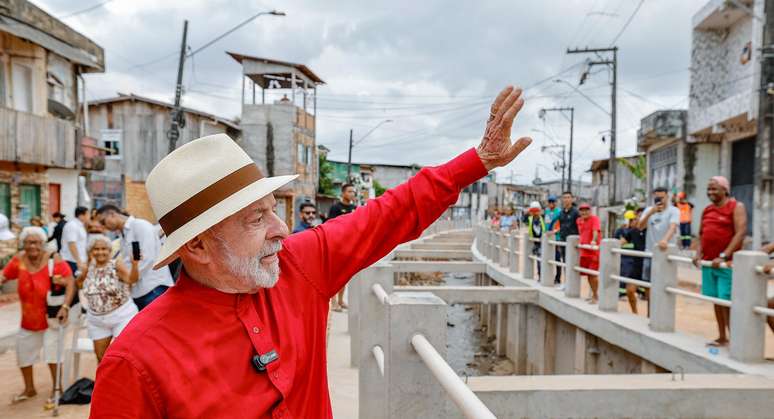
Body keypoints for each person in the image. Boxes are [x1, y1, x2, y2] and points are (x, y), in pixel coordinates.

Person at [89, 86, 531, 418]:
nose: (281, 229)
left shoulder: (297, 266)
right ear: (198, 245)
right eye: (257, 219)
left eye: (274, 210)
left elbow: (388, 214)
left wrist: (479, 161)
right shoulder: (136, 362)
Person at [1, 227, 75, 408]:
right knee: (23, 355)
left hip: (51, 318)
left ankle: (57, 389)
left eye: (36, 242)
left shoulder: (53, 259)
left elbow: (70, 281)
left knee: (52, 355)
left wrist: (65, 306)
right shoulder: (19, 259)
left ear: (42, 243)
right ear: (23, 244)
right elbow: (4, 276)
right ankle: (29, 389)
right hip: (28, 320)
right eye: (28, 242)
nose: (32, 246)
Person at [692, 176, 747, 347]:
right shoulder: (707, 210)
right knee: (716, 300)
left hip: (726, 264)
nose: (711, 192)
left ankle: (735, 339)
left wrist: (724, 255)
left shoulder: (736, 207)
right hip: (709, 263)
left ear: (725, 189)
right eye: (709, 189)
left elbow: (741, 232)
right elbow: (701, 234)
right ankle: (722, 336)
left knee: (726, 300)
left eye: (714, 189)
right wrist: (698, 253)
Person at [96, 205, 174, 311]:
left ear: (112, 214)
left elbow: (148, 259)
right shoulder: (122, 235)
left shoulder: (140, 226)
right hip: (138, 291)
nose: (103, 227)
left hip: (153, 288)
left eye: (103, 222)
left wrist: (129, 278)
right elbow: (128, 262)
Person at [76, 235, 139, 362]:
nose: (100, 252)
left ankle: (125, 382)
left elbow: (132, 280)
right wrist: (83, 271)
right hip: (97, 320)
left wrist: (135, 265)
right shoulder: (88, 267)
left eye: (104, 248)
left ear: (109, 251)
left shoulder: (116, 264)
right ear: (91, 251)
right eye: (96, 249)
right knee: (101, 358)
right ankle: (106, 382)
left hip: (122, 316)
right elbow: (79, 284)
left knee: (126, 356)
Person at [326, 184, 358, 312]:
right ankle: (333, 302)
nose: (352, 194)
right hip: (337, 244)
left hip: (350, 244)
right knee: (335, 274)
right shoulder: (335, 207)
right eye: (350, 191)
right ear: (343, 193)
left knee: (345, 275)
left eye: (353, 192)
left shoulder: (354, 208)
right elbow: (330, 225)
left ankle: (340, 300)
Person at [637, 187, 680, 283]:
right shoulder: (649, 210)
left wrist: (665, 240)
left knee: (666, 282)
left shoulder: (674, 210)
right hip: (650, 251)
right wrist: (650, 213)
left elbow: (672, 227)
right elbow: (640, 227)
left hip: (666, 252)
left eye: (662, 197)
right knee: (648, 282)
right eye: (657, 198)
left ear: (667, 197)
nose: (660, 200)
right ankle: (650, 299)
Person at [617, 209, 647, 314]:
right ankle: (635, 312)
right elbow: (621, 241)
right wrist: (608, 247)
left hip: (647, 265)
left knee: (648, 293)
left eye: (639, 217)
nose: (637, 220)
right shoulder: (632, 231)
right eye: (635, 218)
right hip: (636, 265)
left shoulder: (650, 232)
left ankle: (650, 316)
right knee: (629, 290)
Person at [577, 203, 600, 303]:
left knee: (593, 275)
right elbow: (581, 233)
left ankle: (595, 296)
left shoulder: (594, 219)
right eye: (582, 210)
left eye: (586, 210)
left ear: (590, 211)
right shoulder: (579, 220)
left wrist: (594, 240)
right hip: (584, 251)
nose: (584, 212)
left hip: (593, 251)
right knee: (588, 275)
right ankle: (594, 295)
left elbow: (595, 230)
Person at [555, 191, 579, 288]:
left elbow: (579, 226)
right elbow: (562, 226)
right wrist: (555, 232)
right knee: (565, 261)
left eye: (568, 197)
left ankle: (572, 285)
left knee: (572, 263)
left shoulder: (576, 212)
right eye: (564, 197)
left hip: (573, 243)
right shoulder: (561, 213)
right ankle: (566, 283)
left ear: (572, 199)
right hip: (563, 241)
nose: (566, 199)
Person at [61, 207, 89, 275]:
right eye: (88, 214)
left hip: (78, 261)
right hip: (71, 261)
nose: (89, 217)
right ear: (81, 215)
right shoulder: (72, 225)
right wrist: (78, 261)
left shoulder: (80, 225)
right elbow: (72, 244)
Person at [526, 201, 544, 276]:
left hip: (542, 241)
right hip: (535, 242)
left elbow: (544, 228)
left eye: (536, 211)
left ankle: (542, 275)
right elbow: (524, 219)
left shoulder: (542, 218)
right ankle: (540, 274)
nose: (534, 213)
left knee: (542, 259)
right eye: (533, 211)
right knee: (538, 259)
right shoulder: (530, 218)